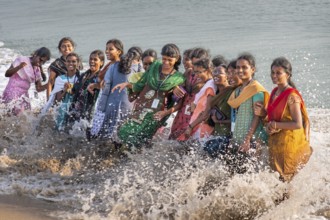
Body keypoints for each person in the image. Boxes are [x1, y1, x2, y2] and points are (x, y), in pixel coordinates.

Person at [113, 43, 185, 148]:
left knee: (142, 137)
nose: (166, 62)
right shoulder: (154, 67)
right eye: (164, 59)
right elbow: (140, 84)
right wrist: (127, 84)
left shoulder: (179, 79)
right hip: (142, 108)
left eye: (170, 60)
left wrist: (165, 113)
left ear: (177, 58)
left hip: (157, 113)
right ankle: (130, 154)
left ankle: (135, 158)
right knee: (125, 131)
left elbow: (179, 104)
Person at [254, 57, 312, 181]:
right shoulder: (275, 91)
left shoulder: (292, 96)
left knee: (285, 179)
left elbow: (298, 123)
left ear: (288, 74)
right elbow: (273, 117)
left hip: (289, 144)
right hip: (276, 143)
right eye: (272, 72)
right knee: (277, 180)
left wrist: (275, 125)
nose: (274, 76)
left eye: (278, 73)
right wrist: (264, 115)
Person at [89, 47, 142, 139]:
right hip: (128, 105)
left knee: (107, 131)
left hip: (111, 104)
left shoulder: (113, 66)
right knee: (122, 132)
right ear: (139, 59)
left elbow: (106, 86)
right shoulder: (139, 68)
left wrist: (102, 106)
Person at [227, 53, 269, 154]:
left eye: (244, 67)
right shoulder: (237, 91)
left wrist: (247, 139)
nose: (240, 70)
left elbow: (257, 116)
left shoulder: (256, 89)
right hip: (238, 136)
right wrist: (233, 139)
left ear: (252, 69)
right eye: (238, 67)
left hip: (252, 139)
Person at [168, 48, 209, 140]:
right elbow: (178, 84)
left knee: (189, 137)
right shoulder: (188, 73)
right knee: (175, 135)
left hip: (195, 110)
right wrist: (175, 87)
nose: (194, 66)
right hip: (184, 109)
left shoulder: (207, 76)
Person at [2, 47, 50, 115]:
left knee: (26, 117)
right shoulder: (21, 60)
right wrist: (19, 67)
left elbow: (39, 88)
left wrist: (50, 84)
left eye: (43, 62)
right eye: (40, 60)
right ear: (36, 54)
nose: (40, 63)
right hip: (12, 92)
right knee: (10, 115)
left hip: (23, 96)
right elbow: (7, 74)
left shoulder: (37, 70)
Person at [177, 58, 216, 141]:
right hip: (197, 125)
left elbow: (206, 112)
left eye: (199, 72)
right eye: (195, 72)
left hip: (202, 128)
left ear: (208, 70)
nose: (196, 75)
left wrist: (191, 127)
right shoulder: (207, 84)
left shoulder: (210, 86)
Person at [203, 64, 237, 156]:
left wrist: (219, 120)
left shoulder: (232, 92)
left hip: (228, 135)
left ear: (227, 76)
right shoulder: (215, 93)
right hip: (217, 134)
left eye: (220, 73)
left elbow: (237, 119)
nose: (216, 75)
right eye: (214, 72)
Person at [68, 50, 105, 123]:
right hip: (76, 108)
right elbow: (74, 90)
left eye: (95, 60)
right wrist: (68, 87)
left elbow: (103, 86)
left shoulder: (101, 76)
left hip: (89, 110)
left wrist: (95, 85)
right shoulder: (84, 75)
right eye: (91, 59)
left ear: (101, 63)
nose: (92, 61)